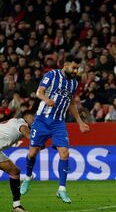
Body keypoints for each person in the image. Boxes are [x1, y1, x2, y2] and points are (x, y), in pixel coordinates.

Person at [20, 55, 90, 203]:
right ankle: (28, 177)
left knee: (64, 153)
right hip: (42, 120)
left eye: (77, 68)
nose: (76, 70)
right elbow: (40, 92)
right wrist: (46, 100)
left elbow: (71, 103)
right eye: (74, 67)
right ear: (66, 64)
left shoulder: (73, 83)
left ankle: (62, 189)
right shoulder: (52, 75)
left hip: (59, 123)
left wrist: (80, 122)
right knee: (32, 153)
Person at [0, 111, 34, 212]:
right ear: (27, 117)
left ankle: (16, 206)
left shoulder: (15, 122)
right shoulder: (21, 123)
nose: (35, 121)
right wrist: (37, 142)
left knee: (14, 172)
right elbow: (27, 134)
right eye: (33, 118)